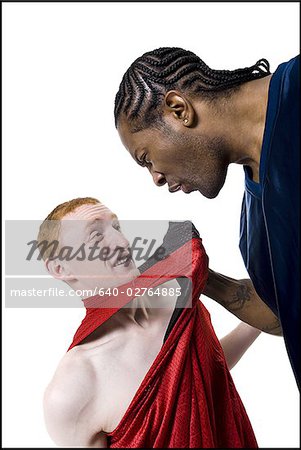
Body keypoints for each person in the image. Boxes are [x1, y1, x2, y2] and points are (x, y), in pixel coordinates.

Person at [115, 47, 300, 389]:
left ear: (178, 109)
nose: (155, 178)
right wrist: (204, 279)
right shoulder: (253, 232)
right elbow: (282, 316)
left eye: (146, 158)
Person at [39, 197, 280, 448]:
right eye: (96, 236)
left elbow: (197, 375)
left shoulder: (175, 297)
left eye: (117, 228)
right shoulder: (71, 390)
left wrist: (254, 321)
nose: (122, 242)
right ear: (60, 268)